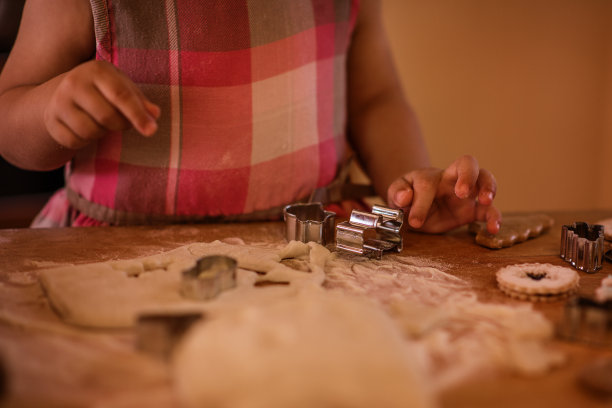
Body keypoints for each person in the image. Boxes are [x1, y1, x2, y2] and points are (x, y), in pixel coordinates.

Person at [0, 0, 501, 234]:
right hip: (116, 252)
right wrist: (51, 111)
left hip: (309, 247)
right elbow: (8, 115)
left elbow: (375, 100)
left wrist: (409, 194)